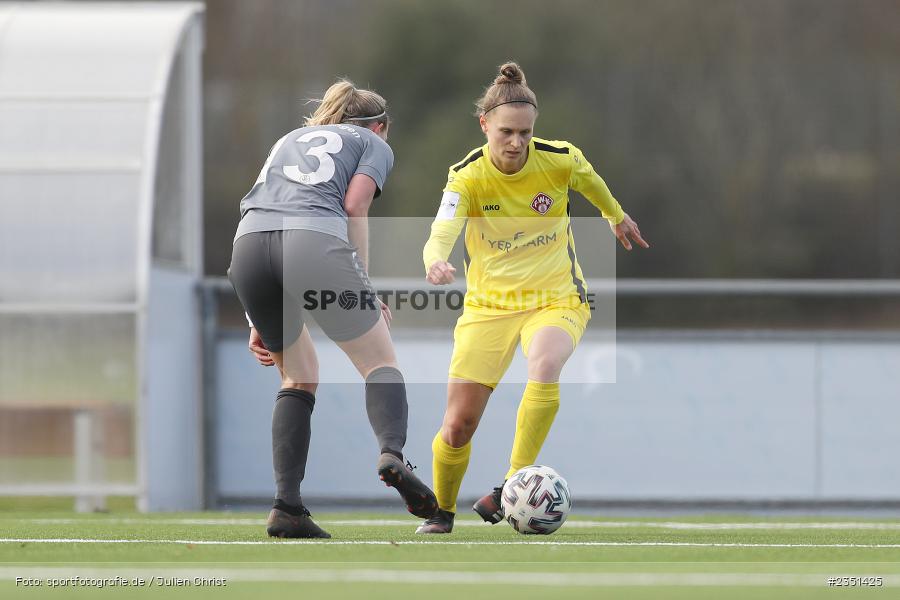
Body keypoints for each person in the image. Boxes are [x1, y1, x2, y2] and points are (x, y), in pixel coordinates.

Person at [417, 62, 649, 534]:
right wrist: (434, 260)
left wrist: (616, 216)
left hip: (556, 298)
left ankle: (509, 489)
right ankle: (441, 512)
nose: (517, 142)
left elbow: (592, 183)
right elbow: (443, 227)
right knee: (459, 424)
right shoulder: (467, 176)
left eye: (525, 132)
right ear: (484, 125)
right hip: (488, 308)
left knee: (544, 364)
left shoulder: (559, 158)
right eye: (506, 131)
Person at [228, 79, 437, 539]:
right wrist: (365, 285)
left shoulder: (287, 139)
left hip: (248, 250)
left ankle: (287, 507)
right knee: (380, 363)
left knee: (297, 375)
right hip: (313, 243)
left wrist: (254, 318)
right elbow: (354, 206)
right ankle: (392, 455)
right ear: (379, 126)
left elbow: (259, 208)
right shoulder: (373, 143)